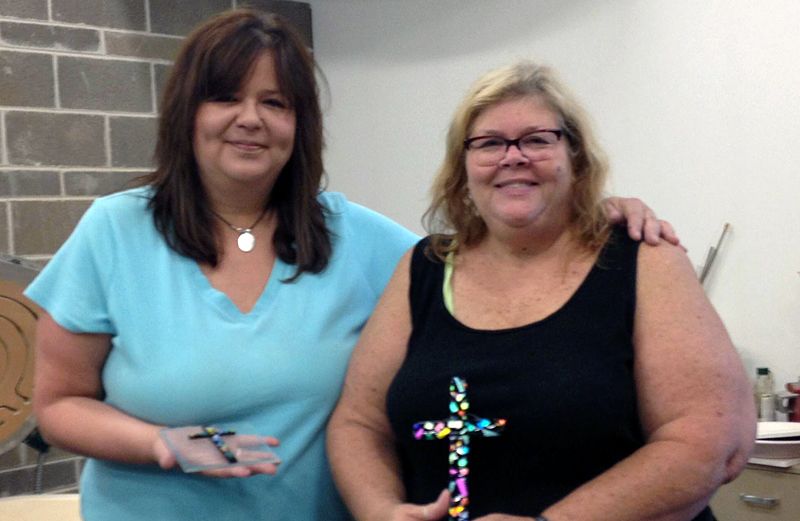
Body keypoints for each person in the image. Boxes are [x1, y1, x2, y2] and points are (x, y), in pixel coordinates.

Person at [26, 9, 677, 521]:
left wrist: (590, 213)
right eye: (226, 98)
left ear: (300, 125)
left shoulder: (362, 240)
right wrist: (160, 444)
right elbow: (57, 403)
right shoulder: (114, 231)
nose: (251, 119)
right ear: (187, 113)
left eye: (277, 103)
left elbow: (488, 250)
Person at [326, 61, 755, 521]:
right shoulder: (423, 268)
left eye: (536, 139)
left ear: (576, 158)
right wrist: (379, 511)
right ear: (462, 168)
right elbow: (358, 424)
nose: (513, 156)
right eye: (489, 143)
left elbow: (710, 440)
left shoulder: (643, 259)